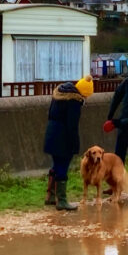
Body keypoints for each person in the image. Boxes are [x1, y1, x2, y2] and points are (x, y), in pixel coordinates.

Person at [44, 75, 94, 210]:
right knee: (63, 166)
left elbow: (50, 114)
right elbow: (72, 126)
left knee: (56, 164)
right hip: (63, 137)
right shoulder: (74, 102)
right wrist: (74, 145)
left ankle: (50, 196)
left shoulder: (59, 95)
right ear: (84, 93)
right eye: (87, 96)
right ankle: (62, 201)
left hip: (51, 133)